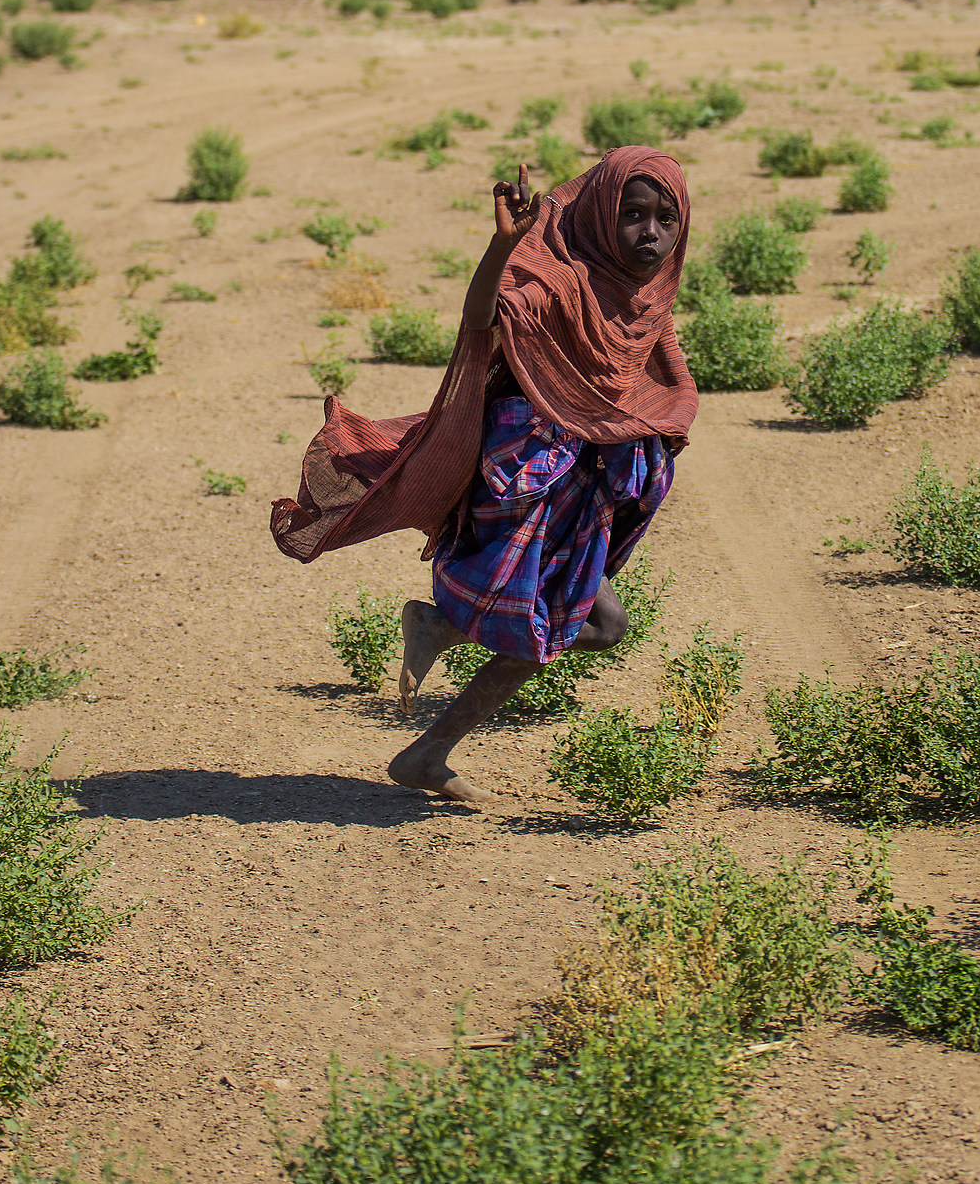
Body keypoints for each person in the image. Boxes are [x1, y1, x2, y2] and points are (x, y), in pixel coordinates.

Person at [270, 145, 696, 807]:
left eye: (666, 218)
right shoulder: (565, 281)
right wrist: (503, 248)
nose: (650, 233)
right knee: (588, 623)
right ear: (601, 216)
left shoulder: (647, 302)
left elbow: (667, 391)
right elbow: (483, 318)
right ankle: (433, 708)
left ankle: (431, 731)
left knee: (577, 623)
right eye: (633, 214)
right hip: (529, 479)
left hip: (582, 493)